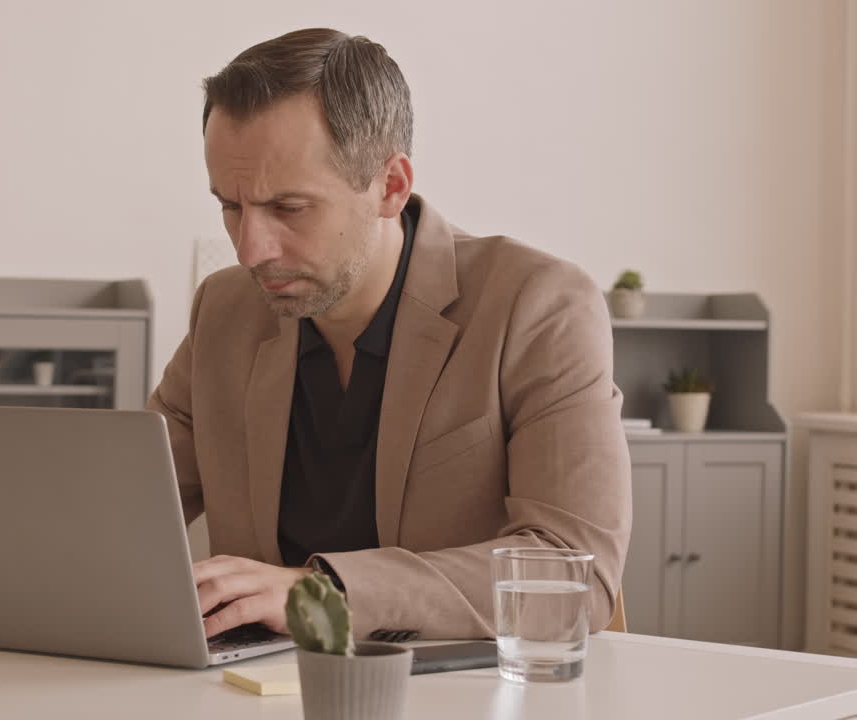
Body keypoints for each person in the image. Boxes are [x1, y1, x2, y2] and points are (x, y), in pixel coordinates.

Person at [148, 27, 631, 642]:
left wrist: (319, 593)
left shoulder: (538, 305)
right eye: (230, 207)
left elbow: (570, 572)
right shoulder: (224, 309)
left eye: (288, 209)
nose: (250, 250)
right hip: (259, 695)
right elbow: (124, 514)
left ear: (391, 186)